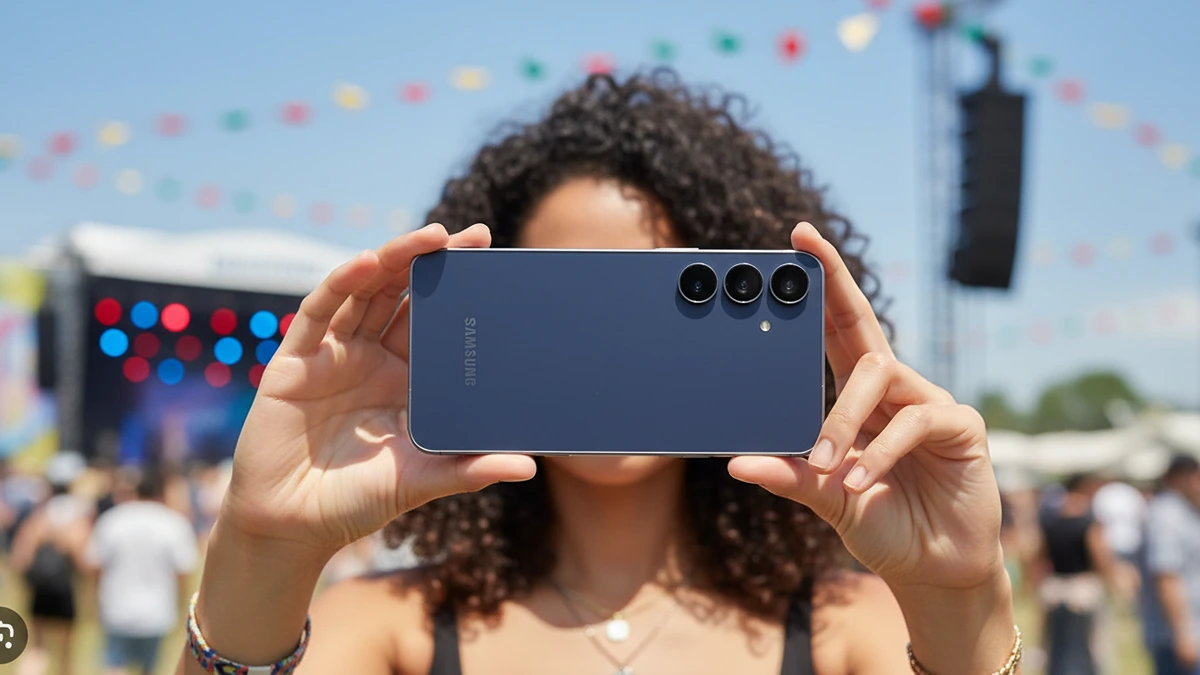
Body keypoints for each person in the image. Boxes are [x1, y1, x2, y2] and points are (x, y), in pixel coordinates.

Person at [177, 70, 1018, 675]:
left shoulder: (861, 631)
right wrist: (265, 546)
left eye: (657, 296)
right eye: (569, 297)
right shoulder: (380, 630)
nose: (613, 346)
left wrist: (961, 592)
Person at [87, 468, 198, 675]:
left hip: (115, 607)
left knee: (113, 664)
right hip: (158, 611)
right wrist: (182, 605)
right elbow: (184, 571)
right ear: (162, 492)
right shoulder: (174, 524)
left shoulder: (112, 520)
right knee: (149, 668)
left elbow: (94, 565)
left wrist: (95, 599)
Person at [10, 451, 93, 675]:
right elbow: (84, 559)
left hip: (41, 590)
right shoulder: (79, 514)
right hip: (65, 589)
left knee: (37, 648)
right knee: (66, 652)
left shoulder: (40, 515)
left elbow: (20, 558)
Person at [1141, 455, 1200, 675]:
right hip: (1178, 635)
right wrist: (1183, 633)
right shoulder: (1166, 514)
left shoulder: (1184, 510)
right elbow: (1166, 576)